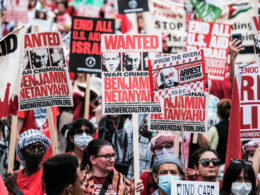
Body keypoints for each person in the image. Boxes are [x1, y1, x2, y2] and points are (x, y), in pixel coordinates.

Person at [4, 129, 50, 195]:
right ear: (22, 152)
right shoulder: (13, 177)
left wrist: (17, 191)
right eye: (31, 148)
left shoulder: (48, 175)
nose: (36, 153)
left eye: (41, 149)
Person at [208, 98, 231, 164]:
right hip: (232, 165)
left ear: (217, 112)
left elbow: (209, 148)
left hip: (217, 164)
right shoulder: (235, 129)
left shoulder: (213, 129)